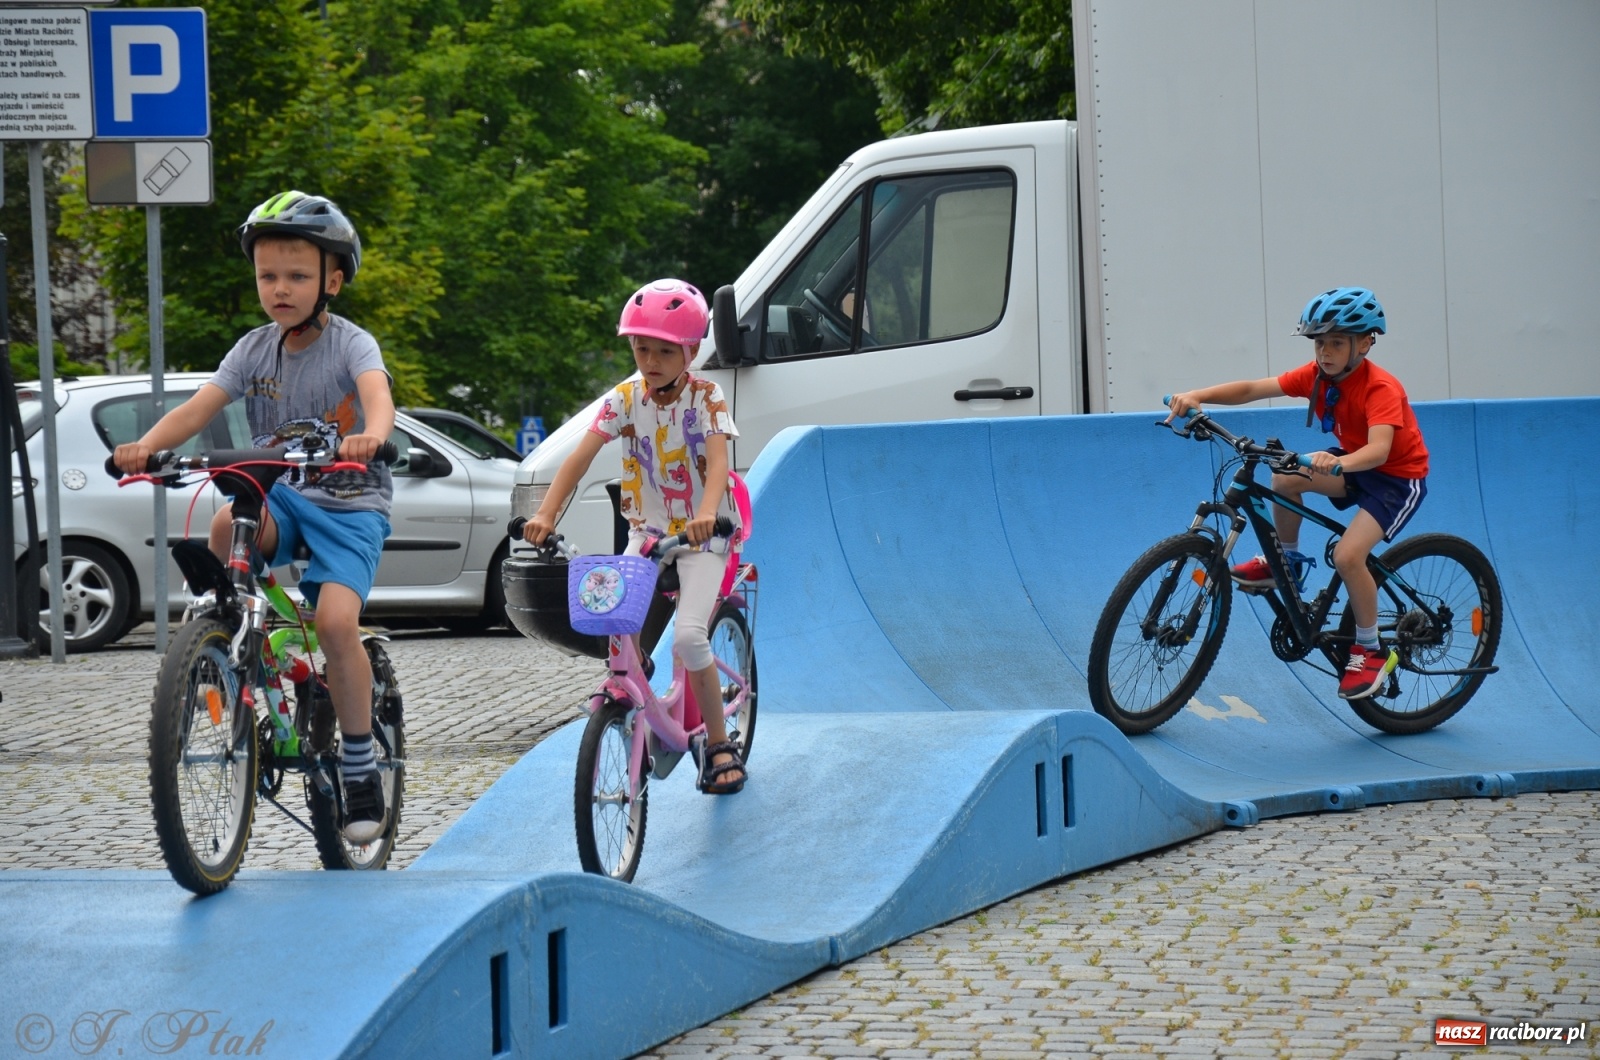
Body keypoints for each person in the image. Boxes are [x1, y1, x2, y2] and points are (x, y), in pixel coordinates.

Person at [114, 190, 396, 842]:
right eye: (268, 275)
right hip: (286, 494)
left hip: (351, 503)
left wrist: (370, 437)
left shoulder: (351, 345)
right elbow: (198, 409)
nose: (280, 288)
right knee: (222, 527)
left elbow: (377, 399)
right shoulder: (253, 349)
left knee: (333, 621)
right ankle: (230, 638)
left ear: (332, 279)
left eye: (297, 276)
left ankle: (359, 764)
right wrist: (148, 447)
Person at [522, 278, 747, 793]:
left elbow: (716, 465)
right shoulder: (624, 398)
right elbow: (579, 457)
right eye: (640, 347)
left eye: (664, 351)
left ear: (690, 351)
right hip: (646, 535)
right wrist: (547, 514)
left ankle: (717, 743)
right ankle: (638, 704)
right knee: (614, 627)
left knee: (690, 637)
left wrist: (707, 513)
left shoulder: (706, 397)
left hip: (702, 538)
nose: (650, 360)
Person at [1165, 286, 1429, 700]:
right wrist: (1199, 395)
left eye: (1336, 343)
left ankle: (1371, 648)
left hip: (1396, 478)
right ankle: (1285, 562)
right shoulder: (1318, 377)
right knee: (1285, 476)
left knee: (1347, 556)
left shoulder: (1382, 388)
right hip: (1352, 465)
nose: (1324, 352)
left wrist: (1334, 461)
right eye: (1319, 343)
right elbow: (1253, 388)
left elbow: (1379, 450)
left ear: (1365, 343)